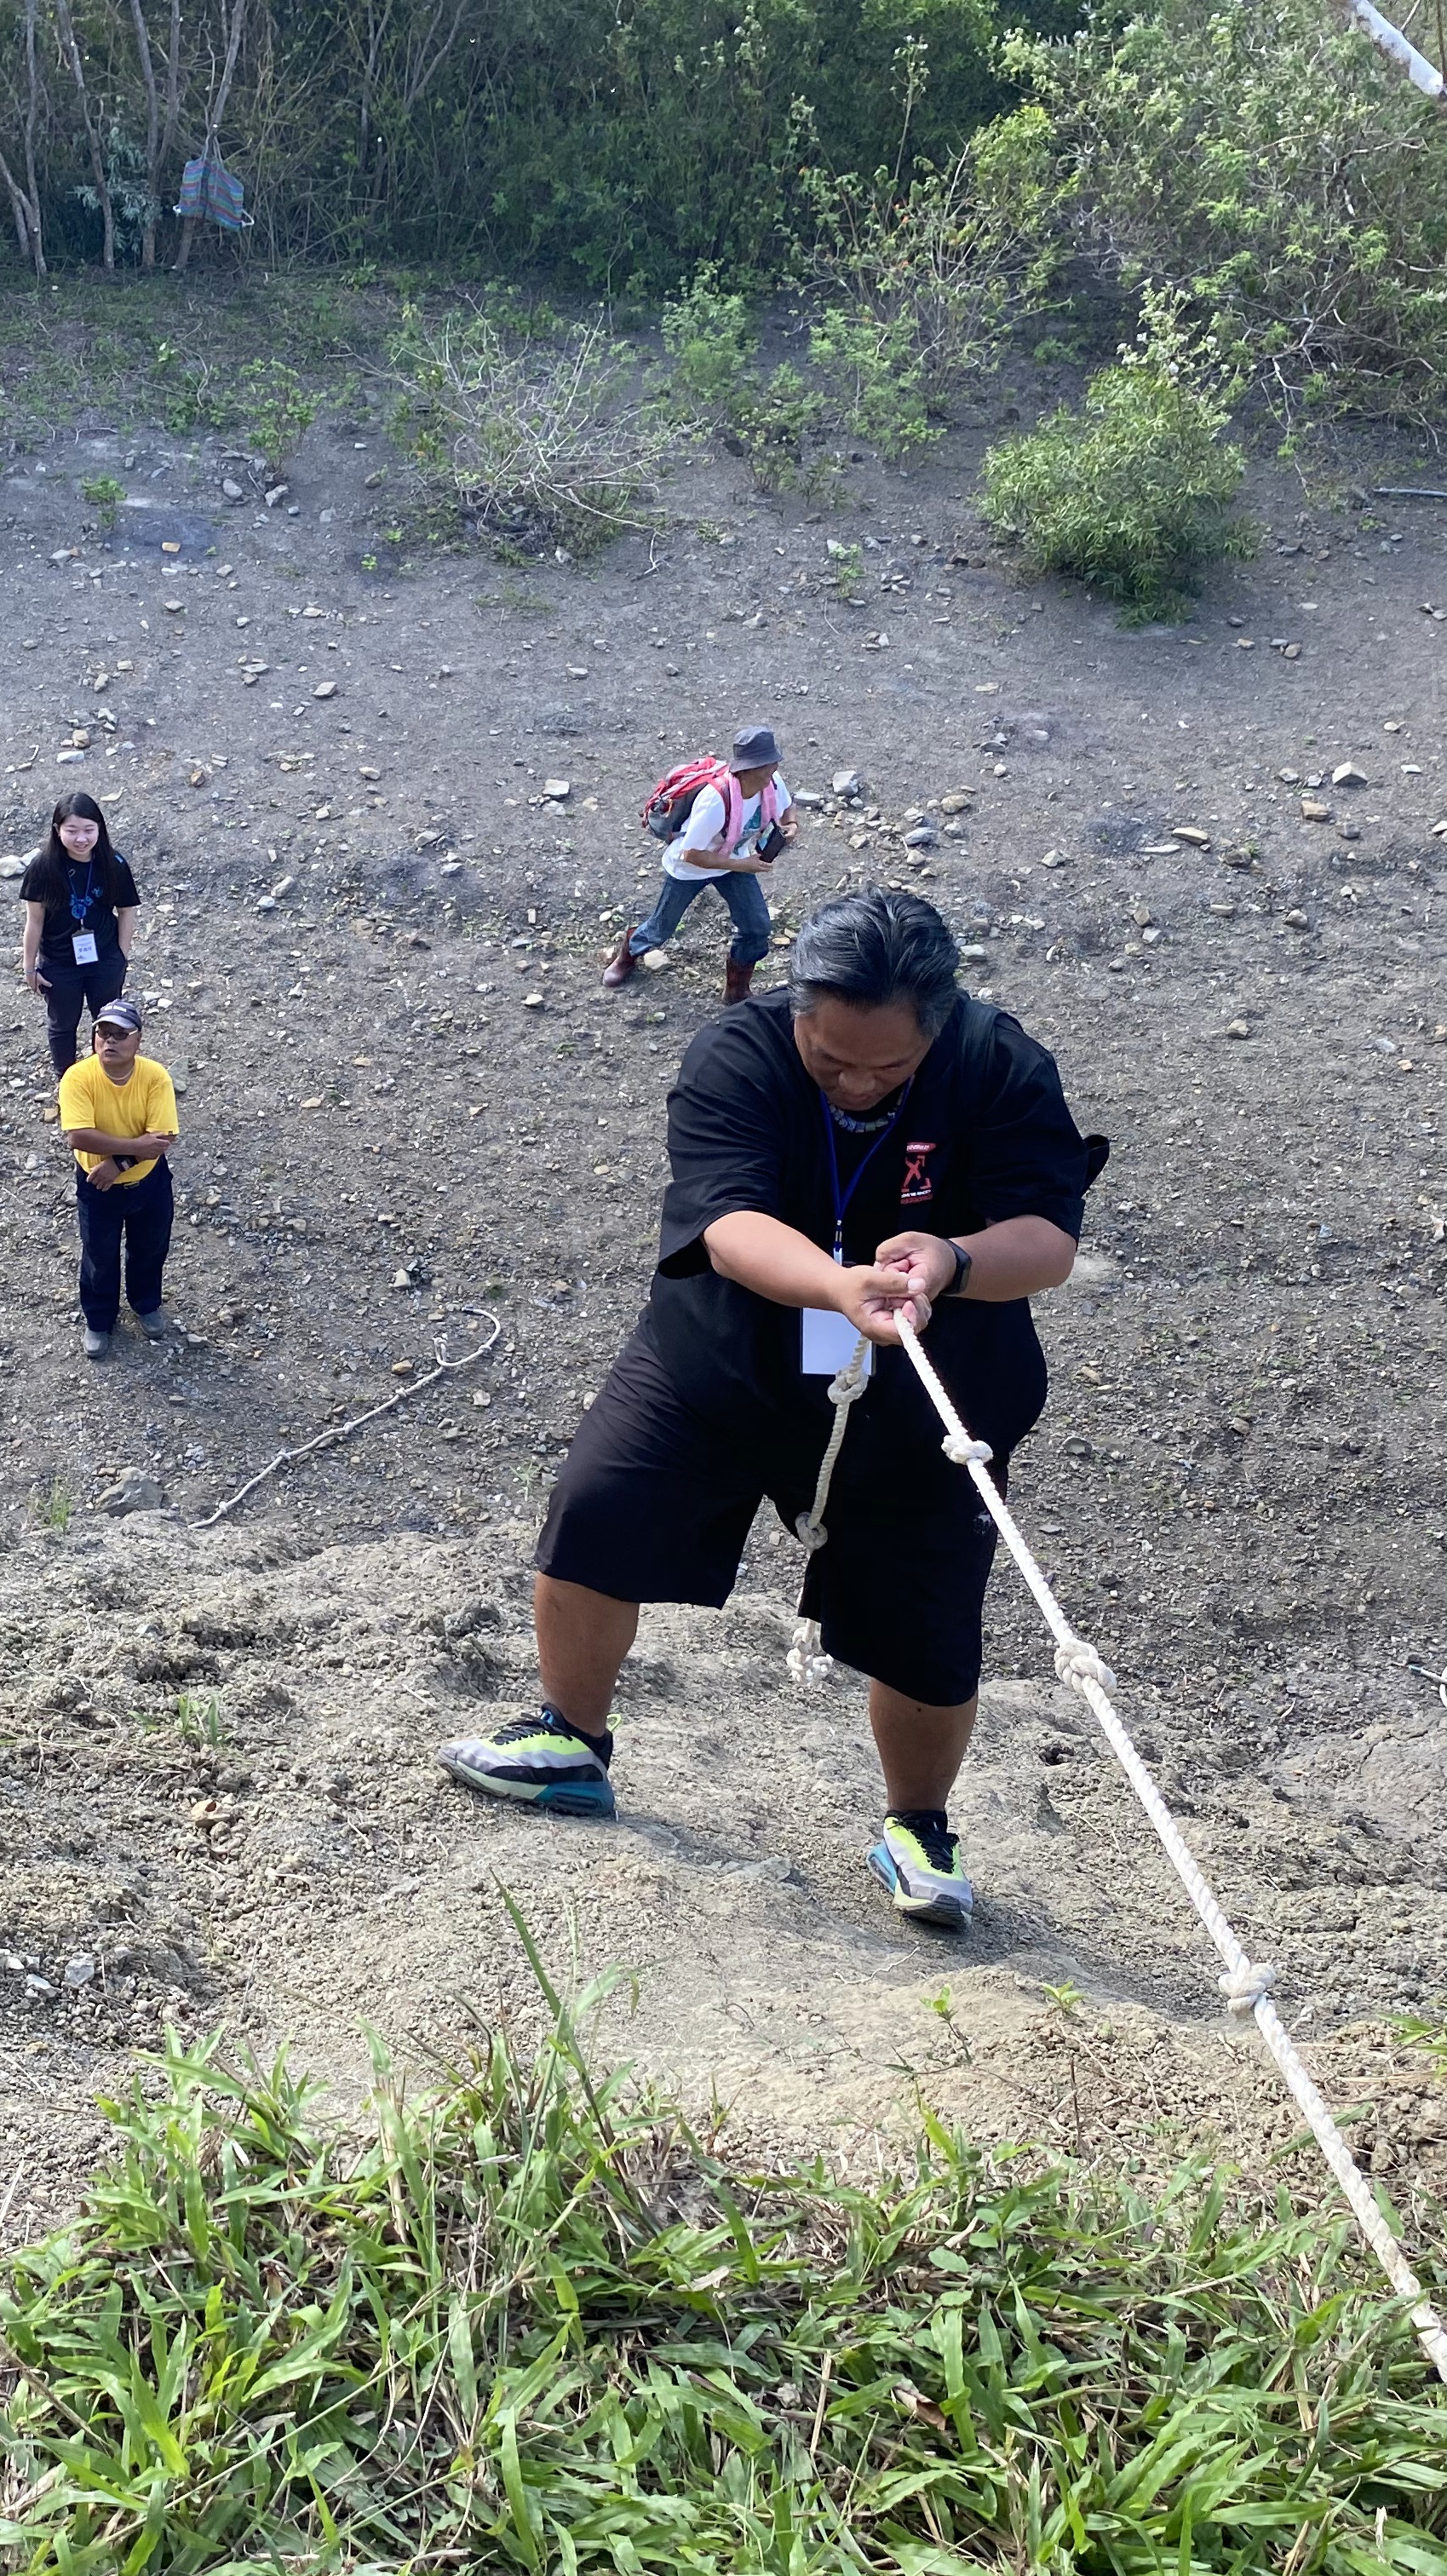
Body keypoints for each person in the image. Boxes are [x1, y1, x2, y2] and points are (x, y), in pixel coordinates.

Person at [443, 890, 1106, 1929]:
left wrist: (954, 1257)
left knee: (929, 1621)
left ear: (936, 1028)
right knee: (598, 1506)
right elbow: (725, 1220)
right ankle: (571, 1738)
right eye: (828, 1054)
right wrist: (839, 1287)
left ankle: (919, 1828)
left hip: (937, 1378)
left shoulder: (998, 1064)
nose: (851, 1082)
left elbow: (1049, 1238)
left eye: (883, 1070)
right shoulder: (739, 1055)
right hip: (726, 1355)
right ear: (798, 1006)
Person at [606, 722, 795, 1007]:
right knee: (662, 928)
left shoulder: (771, 783)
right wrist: (743, 865)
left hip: (736, 859)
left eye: (773, 763)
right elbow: (691, 854)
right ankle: (628, 953)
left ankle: (737, 989)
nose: (772, 771)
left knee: (756, 927)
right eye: (764, 765)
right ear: (745, 769)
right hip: (692, 868)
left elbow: (786, 804)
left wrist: (790, 823)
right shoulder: (715, 801)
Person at [57, 997, 180, 1361]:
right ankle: (98, 1319)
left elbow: (162, 1140)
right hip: (97, 1186)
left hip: (149, 1183)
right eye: (103, 1034)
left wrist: (118, 1162)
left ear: (138, 1039)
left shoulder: (155, 1076)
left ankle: (146, 1304)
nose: (109, 1041)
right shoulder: (78, 1077)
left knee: (151, 1247)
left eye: (119, 1034)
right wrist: (133, 1149)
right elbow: (78, 1136)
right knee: (98, 1254)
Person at [17, 791, 145, 1073]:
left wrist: (120, 957)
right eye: (71, 830)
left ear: (100, 828)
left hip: (104, 959)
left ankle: (102, 1076)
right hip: (60, 962)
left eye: (89, 830)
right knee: (63, 1024)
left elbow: (127, 911)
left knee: (107, 1023)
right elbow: (34, 921)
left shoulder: (114, 863)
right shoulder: (43, 867)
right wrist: (29, 968)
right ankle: (68, 1082)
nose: (81, 839)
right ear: (57, 830)